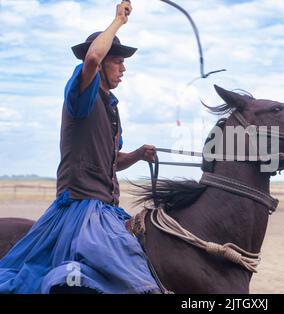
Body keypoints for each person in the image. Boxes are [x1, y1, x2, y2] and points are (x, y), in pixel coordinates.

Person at [0, 1, 161, 294]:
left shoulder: (111, 107)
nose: (124, 69)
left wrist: (137, 155)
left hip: (107, 209)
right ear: (102, 63)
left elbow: (109, 161)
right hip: (81, 208)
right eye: (118, 61)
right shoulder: (81, 93)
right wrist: (118, 22)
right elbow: (90, 60)